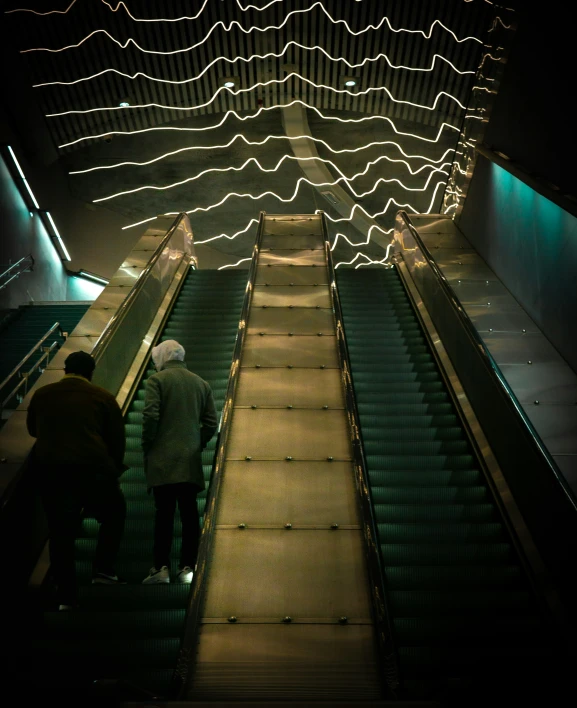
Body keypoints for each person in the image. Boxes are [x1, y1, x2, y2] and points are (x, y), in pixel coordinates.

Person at [26, 351, 127, 610]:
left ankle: (65, 595)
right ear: (90, 372)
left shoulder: (41, 395)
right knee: (114, 513)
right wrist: (113, 469)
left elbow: (32, 430)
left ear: (65, 369)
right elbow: (117, 440)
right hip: (93, 471)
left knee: (61, 532)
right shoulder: (102, 397)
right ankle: (103, 570)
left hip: (52, 473)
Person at [141, 339, 217, 584]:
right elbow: (211, 423)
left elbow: (151, 414)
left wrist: (148, 443)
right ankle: (188, 567)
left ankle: (161, 568)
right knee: (189, 514)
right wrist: (197, 444)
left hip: (162, 459)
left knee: (164, 514)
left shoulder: (156, 381)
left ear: (161, 357)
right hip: (189, 460)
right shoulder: (201, 383)